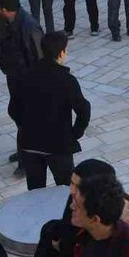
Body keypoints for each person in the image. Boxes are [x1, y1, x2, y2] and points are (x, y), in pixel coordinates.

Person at [10, 32, 91, 190]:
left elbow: (13, 109)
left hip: (30, 144)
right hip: (59, 146)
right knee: (66, 192)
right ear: (61, 53)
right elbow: (84, 109)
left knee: (35, 192)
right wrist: (74, 133)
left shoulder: (25, 76)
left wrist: (25, 127)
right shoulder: (67, 80)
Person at [0, 0, 43, 176]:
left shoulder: (29, 26)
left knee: (26, 121)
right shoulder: (12, 23)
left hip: (27, 83)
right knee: (17, 114)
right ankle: (24, 149)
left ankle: (27, 160)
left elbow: (40, 57)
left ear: (6, 10)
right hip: (16, 80)